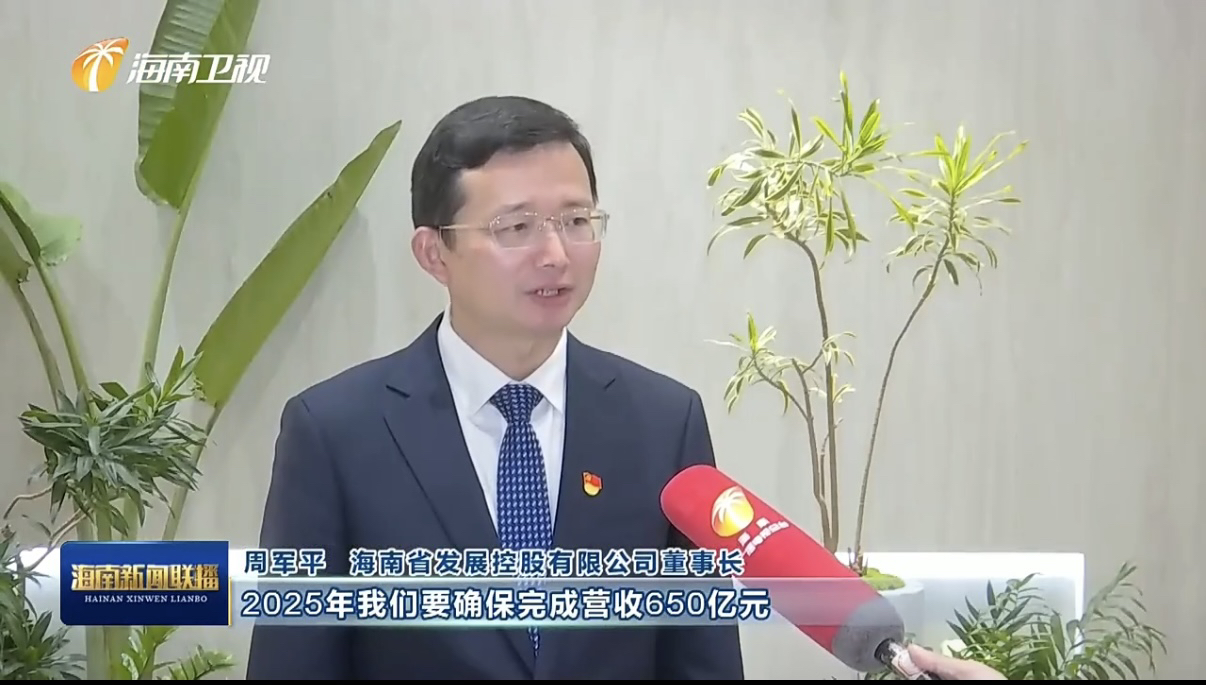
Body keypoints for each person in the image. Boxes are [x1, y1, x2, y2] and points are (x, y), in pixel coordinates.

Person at [245, 95, 1006, 681]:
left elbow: (701, 664)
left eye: (577, 220)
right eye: (515, 228)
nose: (556, 253)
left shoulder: (663, 422)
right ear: (433, 253)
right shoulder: (334, 431)